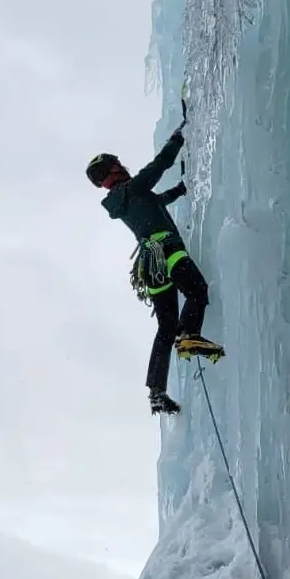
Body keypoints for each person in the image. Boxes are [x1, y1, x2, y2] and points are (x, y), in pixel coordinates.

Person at [86, 125, 224, 415]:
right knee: (197, 291)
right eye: (117, 164)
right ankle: (188, 337)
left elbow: (158, 201)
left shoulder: (127, 199)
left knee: (166, 325)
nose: (123, 166)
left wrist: (181, 189)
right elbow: (160, 165)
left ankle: (157, 392)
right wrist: (177, 139)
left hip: (151, 265)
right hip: (167, 251)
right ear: (112, 172)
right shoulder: (133, 188)